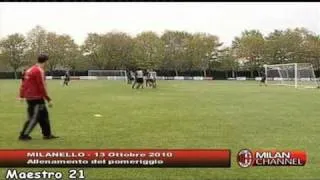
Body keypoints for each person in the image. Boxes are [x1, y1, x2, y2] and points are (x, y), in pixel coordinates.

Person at [18, 54, 58, 141]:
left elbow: (23, 83)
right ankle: (23, 135)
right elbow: (41, 86)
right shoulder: (39, 71)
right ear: (46, 61)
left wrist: (21, 95)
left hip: (30, 96)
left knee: (44, 116)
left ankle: (47, 134)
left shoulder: (29, 70)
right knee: (34, 117)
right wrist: (48, 99)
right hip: (35, 98)